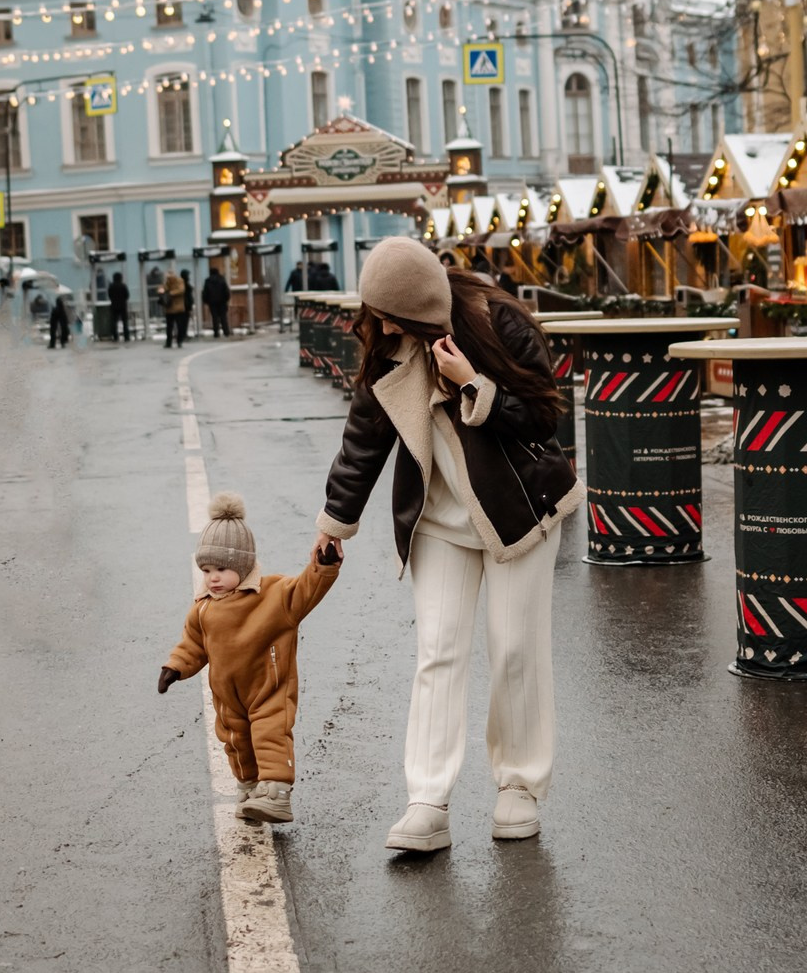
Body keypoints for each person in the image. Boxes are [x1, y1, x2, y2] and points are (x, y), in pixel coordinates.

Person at [314, 237, 582, 854]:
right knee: (437, 652)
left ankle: (518, 785)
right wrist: (333, 524)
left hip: (519, 513)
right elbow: (363, 440)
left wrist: (473, 385)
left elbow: (545, 415)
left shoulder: (496, 320)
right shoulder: (386, 349)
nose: (378, 325)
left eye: (389, 313)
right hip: (439, 521)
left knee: (515, 648)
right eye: (374, 312)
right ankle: (426, 800)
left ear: (419, 305)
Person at [158, 493, 341, 825]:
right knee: (235, 741)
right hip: (228, 697)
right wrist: (175, 666)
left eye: (222, 569)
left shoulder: (272, 595)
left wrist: (322, 566)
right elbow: (193, 644)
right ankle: (249, 790)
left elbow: (306, 588)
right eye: (207, 569)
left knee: (270, 733)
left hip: (267, 687)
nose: (213, 578)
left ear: (242, 566)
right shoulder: (202, 607)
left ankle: (276, 795)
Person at [202, 265, 232, 338]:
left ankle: (216, 332)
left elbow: (205, 292)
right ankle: (226, 332)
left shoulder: (207, 280)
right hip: (222, 301)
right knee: (223, 317)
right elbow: (226, 291)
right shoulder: (222, 279)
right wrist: (226, 299)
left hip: (212, 302)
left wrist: (205, 300)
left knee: (214, 317)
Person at [161, 266, 187, 348]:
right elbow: (163, 288)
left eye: (170, 276)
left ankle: (179, 341)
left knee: (179, 326)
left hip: (178, 307)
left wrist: (171, 293)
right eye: (168, 277)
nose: (169, 278)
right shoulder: (167, 283)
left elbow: (181, 290)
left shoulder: (179, 281)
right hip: (169, 307)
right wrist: (161, 290)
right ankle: (169, 342)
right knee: (169, 327)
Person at [108, 270, 131, 342]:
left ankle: (115, 337)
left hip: (114, 306)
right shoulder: (123, 286)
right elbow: (127, 295)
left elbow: (109, 295)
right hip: (123, 306)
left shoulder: (111, 286)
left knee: (114, 322)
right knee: (125, 322)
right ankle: (126, 337)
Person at [180, 269, 195, 340]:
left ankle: (183, 334)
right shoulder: (184, 283)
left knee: (184, 320)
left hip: (185, 304)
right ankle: (183, 334)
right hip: (185, 305)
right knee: (184, 320)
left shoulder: (183, 283)